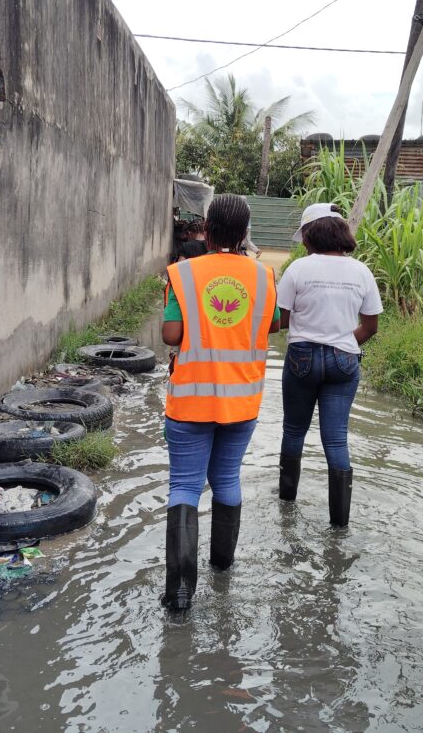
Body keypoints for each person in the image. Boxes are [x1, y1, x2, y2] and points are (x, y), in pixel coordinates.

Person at [161, 194, 280, 611]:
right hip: (242, 402)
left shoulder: (182, 274)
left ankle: (179, 592)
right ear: (245, 233)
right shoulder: (264, 276)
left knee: (185, 485)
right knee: (227, 480)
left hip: (192, 398)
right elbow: (273, 324)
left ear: (207, 230)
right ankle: (222, 569)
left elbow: (172, 336)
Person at [276, 203, 382, 527]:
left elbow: (283, 321)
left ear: (311, 234)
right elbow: (370, 326)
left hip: (302, 358)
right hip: (344, 360)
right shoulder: (362, 271)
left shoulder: (297, 270)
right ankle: (340, 525)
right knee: (336, 440)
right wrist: (343, 347)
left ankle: (286, 504)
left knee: (294, 430)